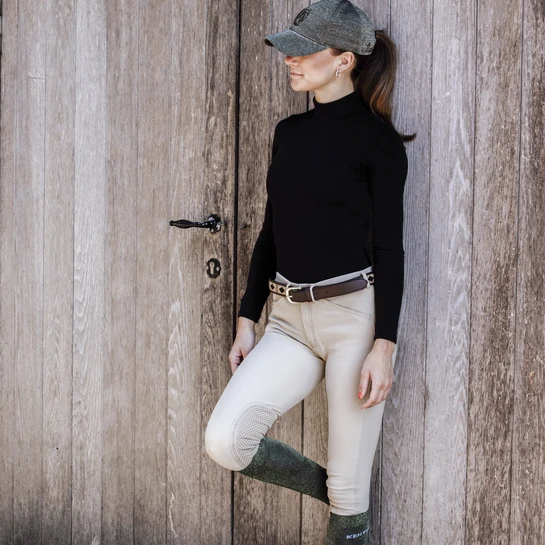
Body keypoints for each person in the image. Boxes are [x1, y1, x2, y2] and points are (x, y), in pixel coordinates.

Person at [205, 0, 416, 543]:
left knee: (350, 499)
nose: (289, 60)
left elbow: (390, 248)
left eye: (303, 52)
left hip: (353, 325)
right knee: (226, 441)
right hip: (287, 322)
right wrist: (247, 319)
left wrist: (384, 346)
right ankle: (341, 489)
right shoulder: (289, 134)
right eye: (288, 51)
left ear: (344, 60)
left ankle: (347, 499)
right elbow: (272, 230)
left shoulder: (379, 145)